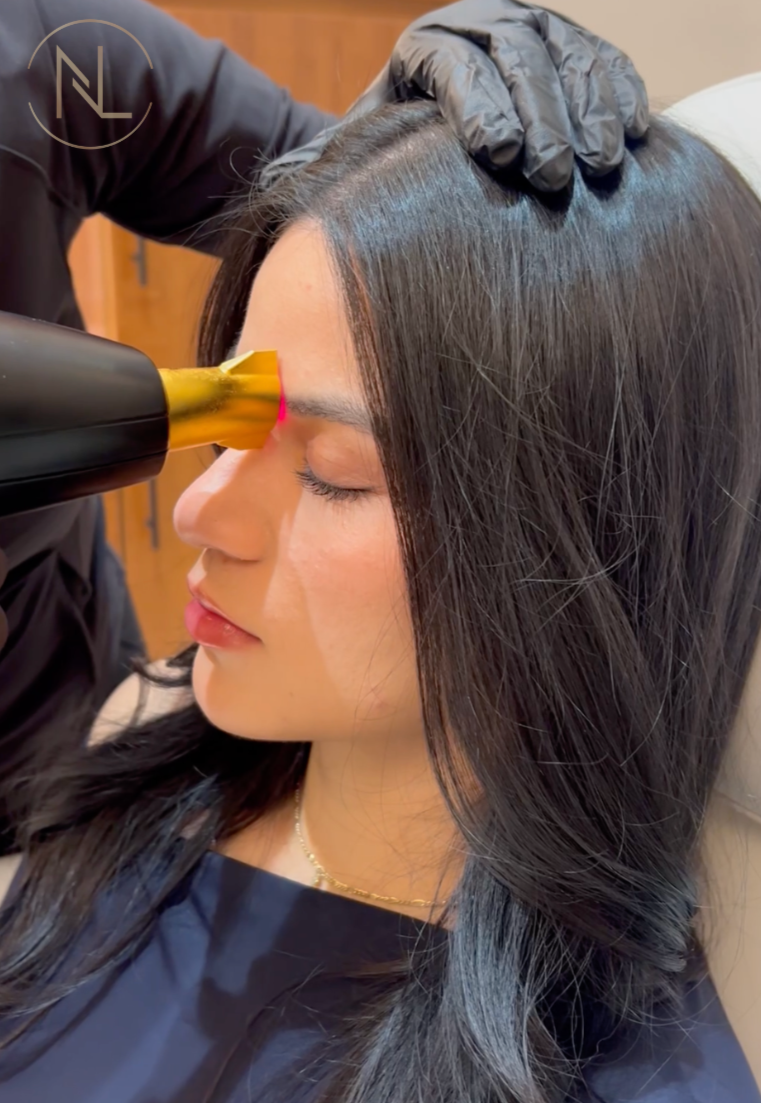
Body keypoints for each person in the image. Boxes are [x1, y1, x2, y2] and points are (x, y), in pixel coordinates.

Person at [0, 83, 760, 1102]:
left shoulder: (608, 1075)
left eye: (333, 473)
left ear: (577, 529)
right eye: (231, 423)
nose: (199, 510)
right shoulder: (139, 757)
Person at [0, 0, 648, 854]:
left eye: (335, 469)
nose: (190, 508)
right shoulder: (153, 735)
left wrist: (383, 152)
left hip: (46, 710)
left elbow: (350, 242)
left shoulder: (40, 59)